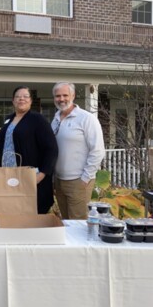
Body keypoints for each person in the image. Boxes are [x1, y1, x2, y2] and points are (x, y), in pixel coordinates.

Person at [0, 86, 58, 214]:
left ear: (30, 101)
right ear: (13, 101)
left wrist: (41, 174)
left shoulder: (38, 120)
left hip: (31, 177)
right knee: (13, 212)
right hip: (9, 176)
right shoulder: (9, 119)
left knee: (32, 215)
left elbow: (51, 149)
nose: (21, 99)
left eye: (25, 96)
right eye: (18, 97)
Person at [51, 82, 105, 220]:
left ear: (73, 95)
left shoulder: (87, 118)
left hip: (78, 181)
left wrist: (86, 177)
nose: (61, 99)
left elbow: (97, 150)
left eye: (65, 95)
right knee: (66, 222)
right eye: (58, 96)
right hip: (59, 180)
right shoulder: (56, 119)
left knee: (78, 223)